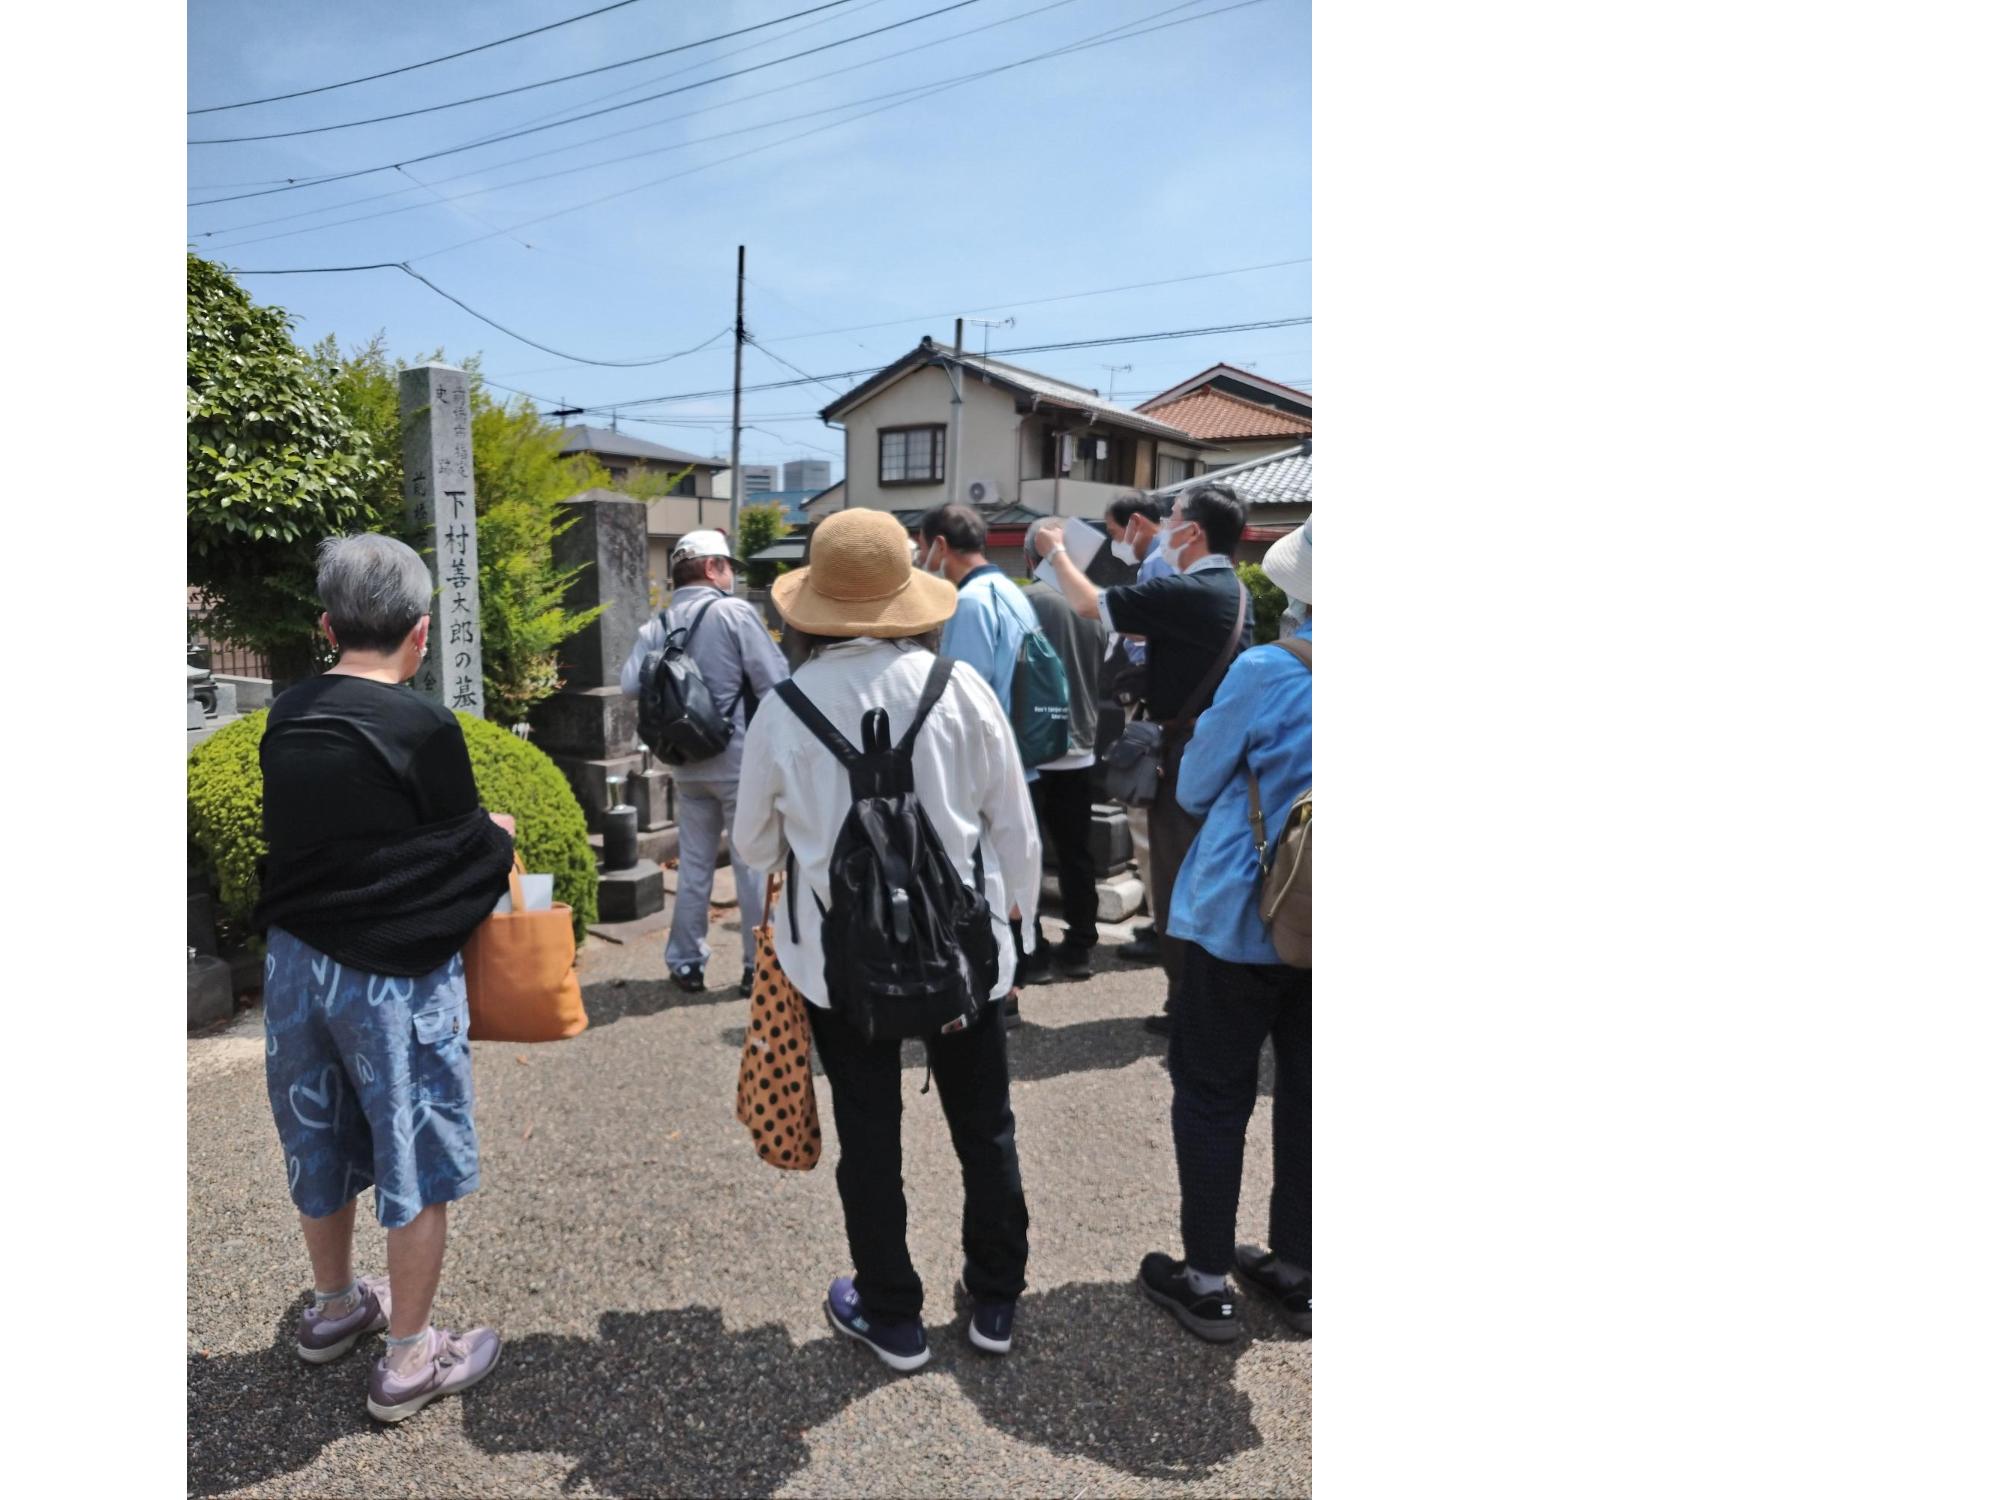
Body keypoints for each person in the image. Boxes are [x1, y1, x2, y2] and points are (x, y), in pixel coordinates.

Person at [734, 507, 1043, 1375]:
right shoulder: (961, 690)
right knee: (986, 1128)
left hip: (840, 969)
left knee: (869, 1137)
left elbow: (754, 850)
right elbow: (1014, 832)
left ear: (814, 606)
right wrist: (1015, 929)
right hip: (963, 960)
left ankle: (892, 1314)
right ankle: (994, 1301)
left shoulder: (784, 711)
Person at [252, 534, 516, 1423]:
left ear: (327, 626)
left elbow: (330, 849)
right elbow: (450, 859)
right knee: (415, 1154)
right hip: (391, 977)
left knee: (316, 1136)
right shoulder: (425, 725)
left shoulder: (287, 714)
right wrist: (502, 839)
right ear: (423, 632)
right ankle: (409, 1358)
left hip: (296, 965)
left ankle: (334, 1307)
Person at [1137, 517, 1312, 1343]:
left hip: (1241, 920)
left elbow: (1198, 785)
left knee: (1212, 1094)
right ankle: (1299, 1266)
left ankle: (1206, 1279)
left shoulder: (1271, 671)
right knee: (1314, 1100)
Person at [1033, 483, 1252, 1035]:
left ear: (1193, 532)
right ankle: (1201, 1001)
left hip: (1185, 763)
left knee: (1178, 883)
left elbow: (1088, 605)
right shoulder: (1226, 589)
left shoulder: (1192, 589)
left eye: (1172, 517)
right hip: (1209, 754)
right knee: (1196, 881)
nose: (1162, 525)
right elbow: (1127, 624)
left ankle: (1191, 1010)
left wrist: (1055, 548)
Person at [620, 529, 790, 998]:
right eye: (729, 566)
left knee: (694, 865)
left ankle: (686, 962)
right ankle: (758, 966)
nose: (732, 574)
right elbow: (775, 680)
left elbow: (631, 683)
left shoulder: (659, 621)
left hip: (686, 763)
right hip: (737, 759)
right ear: (713, 568)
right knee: (749, 862)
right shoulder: (734, 612)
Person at [918, 503, 1045, 1019]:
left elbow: (959, 698)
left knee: (981, 876)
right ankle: (1008, 980)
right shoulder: (1010, 590)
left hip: (984, 766)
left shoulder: (968, 603)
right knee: (1008, 869)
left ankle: (997, 984)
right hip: (1020, 753)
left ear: (939, 546)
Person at [1018, 517, 1108, 981]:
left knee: (1025, 850)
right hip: (1082, 746)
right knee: (1077, 852)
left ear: (1031, 557)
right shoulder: (1095, 608)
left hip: (1031, 751)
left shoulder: (1020, 603)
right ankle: (1080, 947)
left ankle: (1030, 952)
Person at [1101, 494, 1175, 964]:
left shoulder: (1156, 565)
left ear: (1134, 525)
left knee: (1145, 822)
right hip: (1164, 707)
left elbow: (1146, 636)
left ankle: (1161, 926)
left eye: (1114, 536)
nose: (1117, 546)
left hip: (1151, 708)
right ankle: (1162, 921)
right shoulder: (1170, 562)